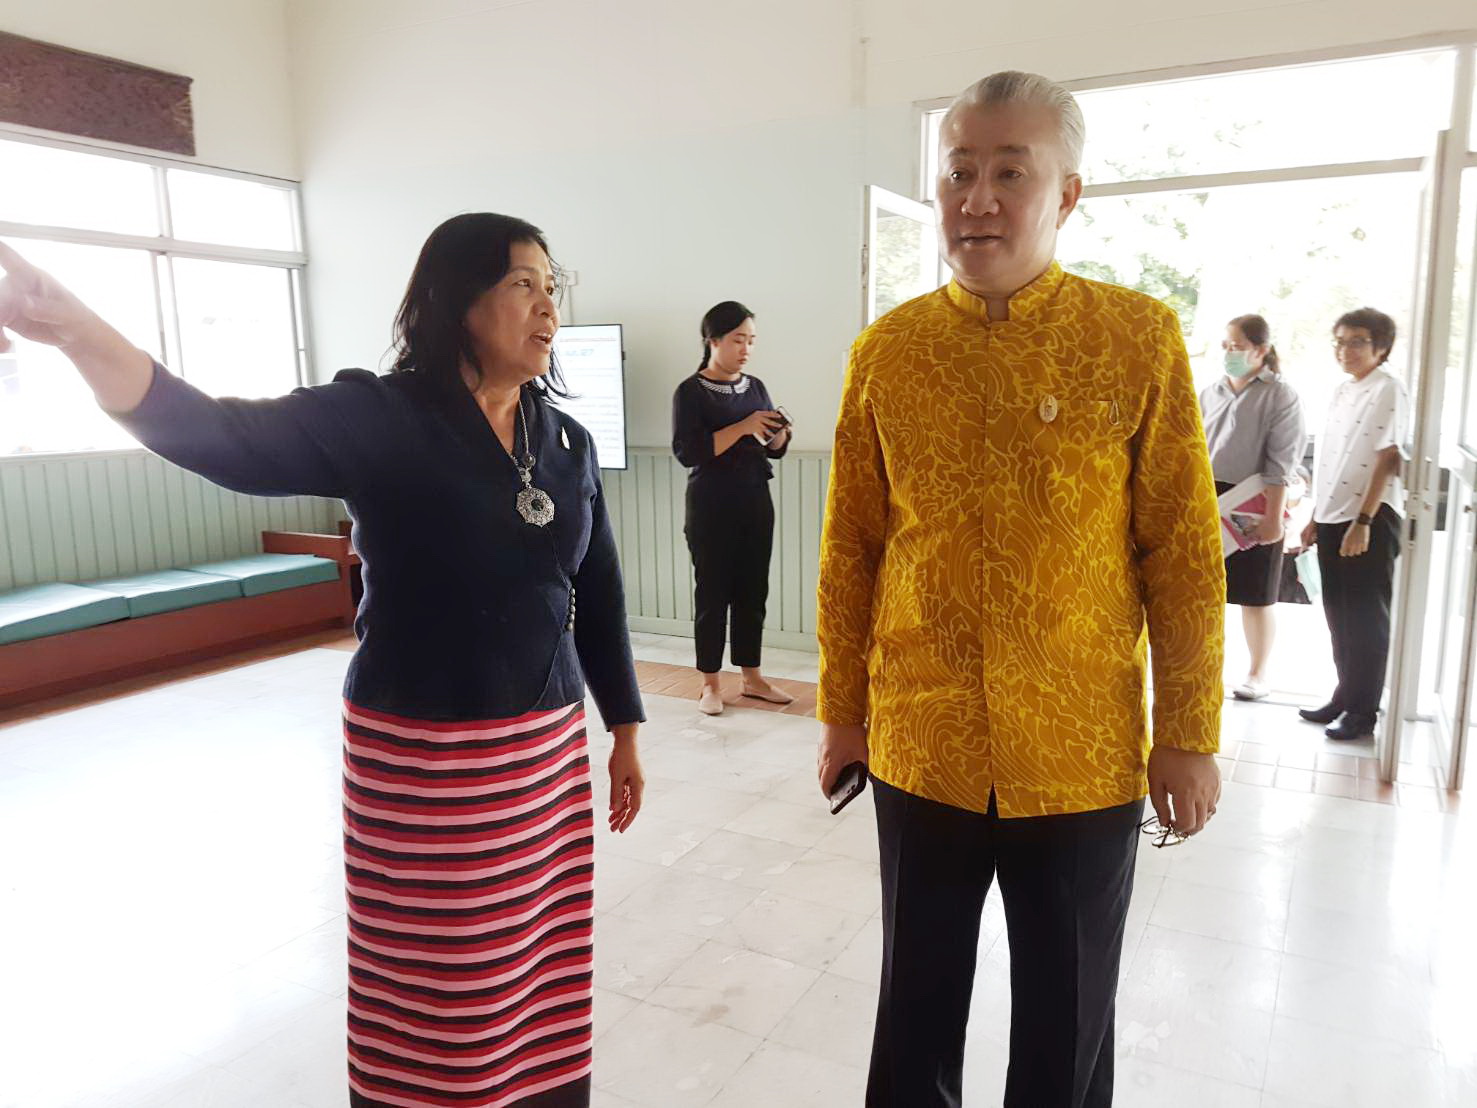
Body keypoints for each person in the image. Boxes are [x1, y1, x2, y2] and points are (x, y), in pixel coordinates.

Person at [0, 213, 647, 1108]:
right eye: (521, 284)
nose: (547, 308)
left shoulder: (564, 439)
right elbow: (217, 434)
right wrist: (78, 329)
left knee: (538, 960)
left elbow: (596, 587)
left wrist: (624, 727)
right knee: (440, 978)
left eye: (551, 287)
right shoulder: (381, 416)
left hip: (541, 751)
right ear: (459, 302)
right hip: (424, 756)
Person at [815, 71, 1225, 1108]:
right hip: (922, 738)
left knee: (1066, 1017)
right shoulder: (888, 351)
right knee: (914, 1010)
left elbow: (1181, 550)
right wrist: (841, 713)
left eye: (1010, 171)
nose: (978, 198)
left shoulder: (1135, 338)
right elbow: (852, 549)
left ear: (1066, 194)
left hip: (1080, 747)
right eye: (959, 171)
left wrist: (1188, 731)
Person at [671, 301, 793, 715]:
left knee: (753, 591)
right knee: (712, 593)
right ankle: (709, 684)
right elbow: (689, 452)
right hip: (710, 505)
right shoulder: (690, 391)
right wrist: (742, 427)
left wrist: (779, 434)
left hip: (756, 499)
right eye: (739, 340)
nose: (746, 349)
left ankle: (752, 677)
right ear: (713, 340)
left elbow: (773, 449)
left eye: (751, 341)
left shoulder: (755, 386)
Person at [1293, 307, 1407, 741]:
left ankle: (1363, 712)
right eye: (1340, 341)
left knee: (1365, 619)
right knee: (1338, 614)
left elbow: (1388, 457)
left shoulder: (1389, 387)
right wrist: (1315, 517)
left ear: (1381, 347)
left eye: (1357, 341)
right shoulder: (1343, 389)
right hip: (1332, 515)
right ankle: (1344, 696)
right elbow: (1332, 460)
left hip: (1369, 519)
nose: (1346, 350)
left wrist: (1363, 520)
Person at [1199, 314, 1307, 700]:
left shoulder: (1280, 395)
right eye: (1226, 346)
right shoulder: (1210, 392)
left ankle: (1257, 673)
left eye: (1238, 346)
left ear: (1261, 350)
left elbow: (1282, 462)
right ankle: (1203, 668)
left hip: (1256, 499)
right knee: (1204, 591)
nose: (1229, 353)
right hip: (1206, 496)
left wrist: (1274, 519)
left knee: (1255, 594)